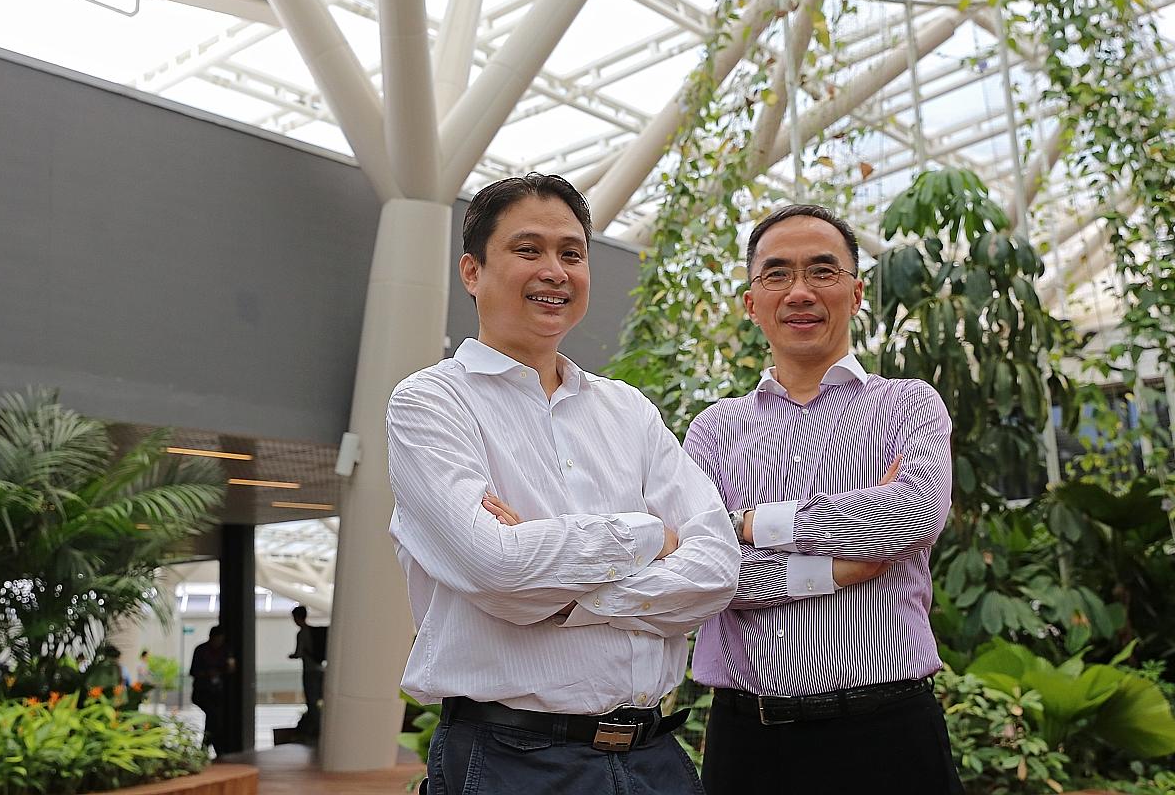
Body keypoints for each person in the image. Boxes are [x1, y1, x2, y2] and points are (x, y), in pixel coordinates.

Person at [388, 173, 739, 795]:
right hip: (510, 760)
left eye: (571, 254)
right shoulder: (430, 403)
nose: (555, 271)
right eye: (529, 251)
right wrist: (651, 535)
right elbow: (496, 568)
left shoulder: (628, 410)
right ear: (472, 272)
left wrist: (574, 597)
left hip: (654, 758)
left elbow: (715, 572)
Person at [684, 204, 963, 794]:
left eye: (822, 272)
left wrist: (751, 525)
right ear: (751, 302)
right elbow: (705, 573)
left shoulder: (907, 404)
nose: (800, 292)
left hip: (891, 733)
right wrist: (832, 570)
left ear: (857, 293)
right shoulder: (715, 429)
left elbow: (915, 512)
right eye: (777, 274)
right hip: (752, 741)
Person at [188, 625, 235, 756]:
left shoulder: (226, 650)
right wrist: (208, 673)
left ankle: (207, 748)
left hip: (218, 692)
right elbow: (194, 671)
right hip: (204, 692)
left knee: (213, 719)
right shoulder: (201, 650)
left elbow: (231, 669)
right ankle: (215, 749)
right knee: (214, 717)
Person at [288, 605, 326, 736]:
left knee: (312, 701)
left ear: (297, 618)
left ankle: (317, 729)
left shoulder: (301, 633)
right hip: (320, 669)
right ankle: (321, 726)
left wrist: (292, 656)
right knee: (321, 700)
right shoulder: (314, 631)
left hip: (309, 671)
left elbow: (298, 653)